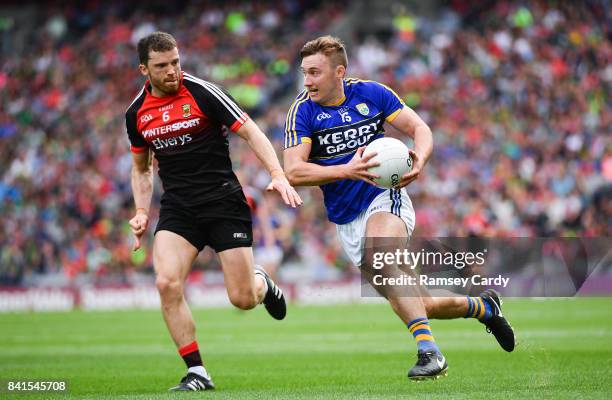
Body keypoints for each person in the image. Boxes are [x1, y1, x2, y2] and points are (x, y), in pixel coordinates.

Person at [283, 35, 515, 380]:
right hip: (346, 219)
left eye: (314, 73)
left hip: (384, 198)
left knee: (381, 256)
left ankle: (430, 353)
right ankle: (483, 307)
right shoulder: (302, 111)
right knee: (423, 304)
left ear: (339, 72)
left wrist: (419, 158)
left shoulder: (373, 93)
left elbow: (419, 128)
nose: (307, 81)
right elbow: (294, 170)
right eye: (304, 73)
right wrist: (346, 170)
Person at [125, 31, 302, 392]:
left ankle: (262, 283)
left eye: (176, 62)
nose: (173, 71)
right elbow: (141, 168)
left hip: (223, 202)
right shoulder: (135, 114)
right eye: (162, 66)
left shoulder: (203, 92)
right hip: (179, 209)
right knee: (165, 282)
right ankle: (197, 372)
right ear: (145, 69)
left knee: (241, 298)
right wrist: (142, 211)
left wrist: (277, 174)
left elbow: (251, 131)